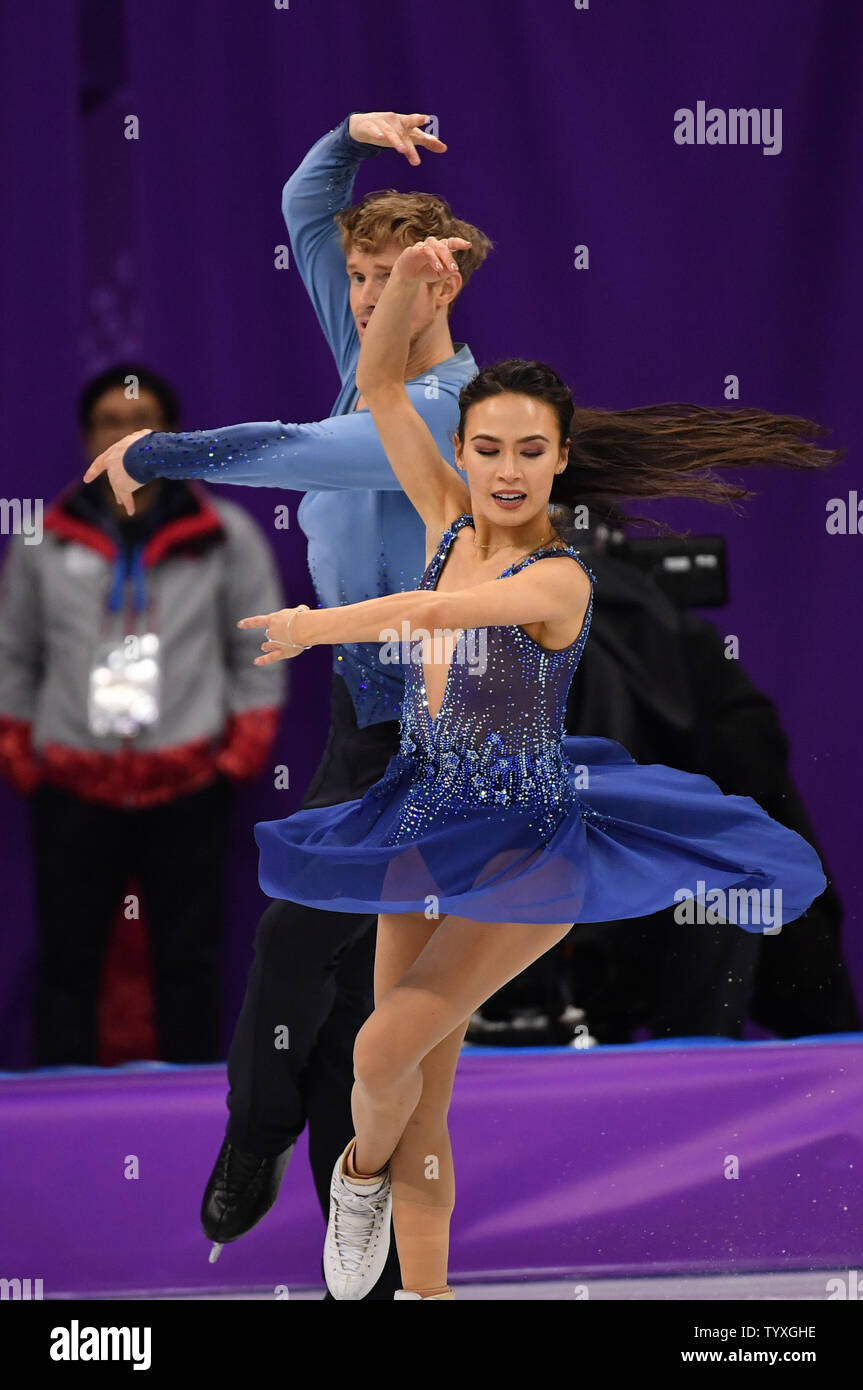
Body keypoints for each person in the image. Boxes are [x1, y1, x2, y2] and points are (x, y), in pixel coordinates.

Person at [238, 234, 835, 1300]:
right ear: (458, 450)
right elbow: (379, 383)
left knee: (381, 1052)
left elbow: (429, 610)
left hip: (523, 850)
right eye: (488, 448)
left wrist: (314, 623)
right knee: (421, 1095)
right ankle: (427, 1296)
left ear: (560, 460)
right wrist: (416, 288)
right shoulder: (441, 520)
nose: (506, 470)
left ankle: (357, 1176)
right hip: (422, 820)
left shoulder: (554, 580)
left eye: (528, 451)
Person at [83, 111, 491, 1297]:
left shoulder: (443, 410)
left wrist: (155, 454)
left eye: (384, 280)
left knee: (328, 957)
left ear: (437, 281)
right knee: (325, 962)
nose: (360, 298)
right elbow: (306, 215)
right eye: (356, 279)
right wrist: (343, 136)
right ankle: (287, 1168)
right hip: (366, 705)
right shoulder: (368, 353)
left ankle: (277, 1153)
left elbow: (292, 451)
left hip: (440, 719)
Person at [0, 363, 286, 1065]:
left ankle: (192, 1108)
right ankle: (59, 1115)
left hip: (188, 782)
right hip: (72, 783)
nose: (127, 434)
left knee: (189, 959)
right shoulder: (43, 537)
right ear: (84, 437)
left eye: (143, 421)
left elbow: (259, 645)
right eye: (111, 421)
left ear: (174, 435)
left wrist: (240, 753)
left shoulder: (225, 534)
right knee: (67, 961)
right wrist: (19, 747)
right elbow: (14, 651)